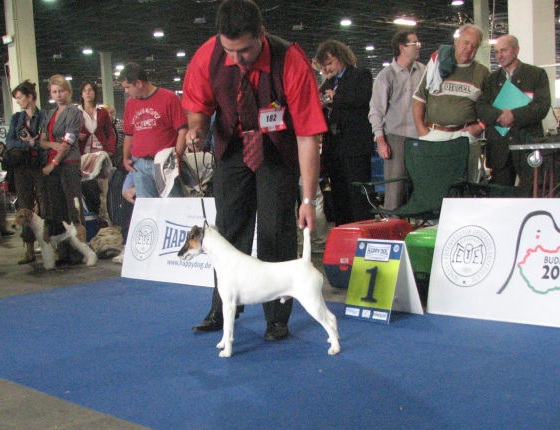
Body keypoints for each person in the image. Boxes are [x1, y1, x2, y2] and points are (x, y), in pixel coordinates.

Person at [182, 0, 326, 340]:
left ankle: (277, 318)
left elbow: (308, 135)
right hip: (232, 149)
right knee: (227, 230)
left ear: (261, 33)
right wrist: (197, 129)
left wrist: (308, 199)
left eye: (244, 50)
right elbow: (198, 107)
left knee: (276, 231)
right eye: (229, 50)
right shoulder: (208, 55)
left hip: (277, 151)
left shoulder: (291, 60)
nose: (236, 58)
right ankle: (223, 306)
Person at [412, 24, 489, 182]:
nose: (469, 48)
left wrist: (481, 126)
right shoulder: (436, 65)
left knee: (465, 186)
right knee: (433, 184)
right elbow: (419, 99)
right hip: (434, 135)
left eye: (474, 46)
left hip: (464, 137)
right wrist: (422, 130)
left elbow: (493, 107)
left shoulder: (482, 73)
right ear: (456, 41)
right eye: (466, 42)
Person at [476, 35, 551, 196]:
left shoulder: (536, 75)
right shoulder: (491, 80)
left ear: (516, 50)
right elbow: (481, 108)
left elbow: (542, 107)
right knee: (500, 196)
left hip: (527, 147)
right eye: (496, 52)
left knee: (531, 194)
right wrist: (499, 116)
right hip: (499, 150)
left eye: (504, 50)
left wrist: (513, 115)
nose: (499, 55)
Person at [314, 39, 374, 225]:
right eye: (325, 66)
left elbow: (361, 99)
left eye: (330, 63)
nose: (328, 68)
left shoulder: (361, 75)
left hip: (355, 146)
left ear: (341, 57)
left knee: (358, 195)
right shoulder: (328, 83)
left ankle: (363, 231)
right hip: (334, 147)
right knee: (339, 196)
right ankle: (342, 232)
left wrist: (335, 98)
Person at [369, 31, 425, 210]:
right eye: (415, 43)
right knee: (394, 191)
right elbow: (376, 111)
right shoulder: (386, 75)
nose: (418, 47)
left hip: (422, 137)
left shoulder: (423, 71)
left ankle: (420, 223)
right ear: (402, 47)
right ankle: (392, 222)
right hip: (396, 138)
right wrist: (381, 141)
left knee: (423, 188)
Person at [118, 62, 188, 198]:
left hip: (164, 163)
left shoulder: (169, 98)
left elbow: (183, 131)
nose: (126, 91)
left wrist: (176, 158)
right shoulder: (131, 104)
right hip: (139, 164)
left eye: (127, 87)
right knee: (146, 207)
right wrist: (125, 158)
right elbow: (129, 134)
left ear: (139, 83)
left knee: (172, 204)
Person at [5, 80, 46, 257]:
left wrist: (33, 144)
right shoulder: (16, 118)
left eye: (20, 97)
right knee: (24, 207)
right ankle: (29, 249)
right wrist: (29, 144)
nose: (18, 101)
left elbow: (44, 142)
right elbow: (10, 142)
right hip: (21, 168)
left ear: (30, 97)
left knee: (45, 204)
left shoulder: (43, 116)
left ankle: (48, 245)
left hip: (39, 166)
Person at [40, 74, 85, 232]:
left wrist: (53, 163)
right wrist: (53, 144)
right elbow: (42, 141)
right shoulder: (50, 114)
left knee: (73, 207)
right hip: (51, 165)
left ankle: (80, 242)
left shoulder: (74, 112)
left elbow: (68, 142)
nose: (58, 95)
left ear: (68, 92)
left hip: (69, 164)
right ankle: (63, 244)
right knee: (57, 208)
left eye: (61, 91)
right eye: (54, 92)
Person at [78, 80, 117, 226]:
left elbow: (110, 133)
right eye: (85, 90)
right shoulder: (76, 112)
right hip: (84, 158)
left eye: (91, 90)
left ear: (95, 93)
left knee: (104, 189)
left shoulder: (102, 112)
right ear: (81, 94)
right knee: (87, 189)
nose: (88, 93)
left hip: (101, 156)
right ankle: (92, 220)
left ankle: (106, 220)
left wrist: (110, 150)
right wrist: (77, 136)